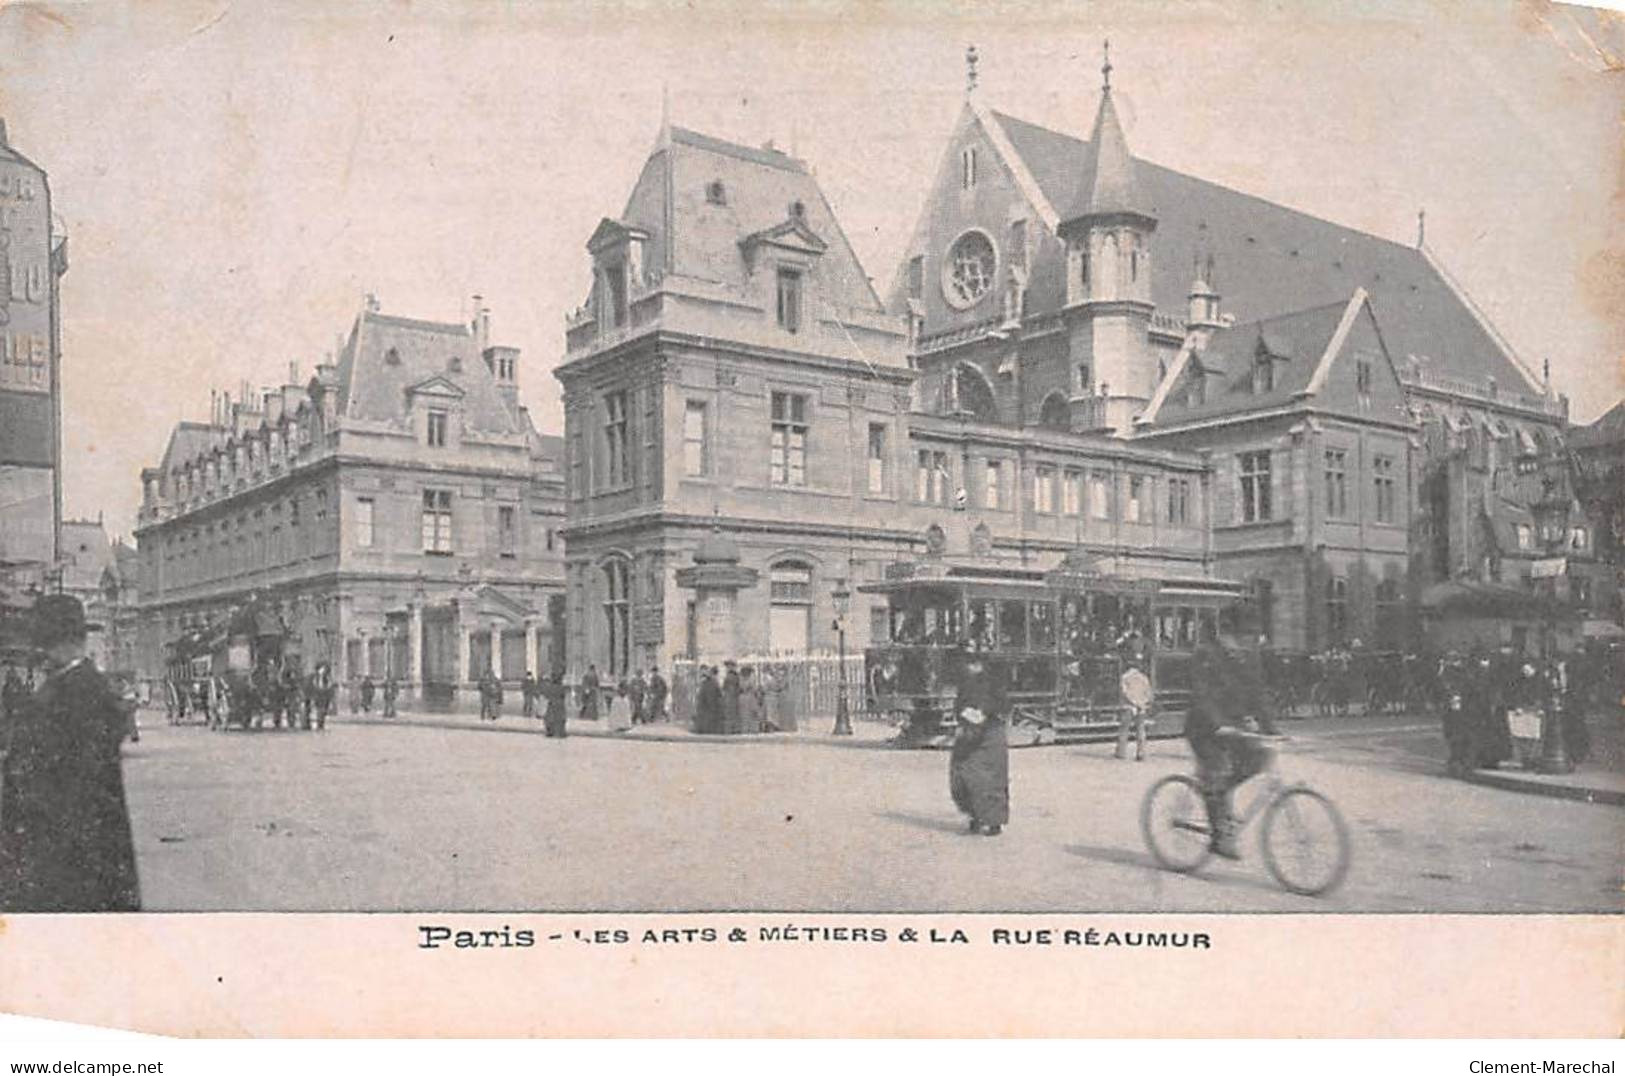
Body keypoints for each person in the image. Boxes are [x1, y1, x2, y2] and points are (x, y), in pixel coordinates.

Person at [0, 595, 141, 911]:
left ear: (49, 642)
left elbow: (68, 786)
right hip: (90, 848)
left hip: (64, 853)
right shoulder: (86, 687)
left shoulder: (70, 694)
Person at [1183, 626, 1271, 860]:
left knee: (1259, 759)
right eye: (1239, 636)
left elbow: (1258, 696)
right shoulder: (1207, 655)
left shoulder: (1247, 660)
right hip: (1203, 728)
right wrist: (1218, 723)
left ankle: (1220, 796)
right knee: (1217, 769)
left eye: (1247, 638)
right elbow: (1202, 695)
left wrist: (1271, 730)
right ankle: (1218, 837)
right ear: (1225, 635)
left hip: (1232, 728)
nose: (1243, 643)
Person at [949, 654, 1010, 836]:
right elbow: (958, 706)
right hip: (969, 736)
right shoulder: (966, 684)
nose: (970, 668)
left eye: (973, 664)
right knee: (966, 776)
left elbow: (1003, 705)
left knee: (991, 780)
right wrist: (963, 715)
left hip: (990, 735)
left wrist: (984, 712)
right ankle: (975, 816)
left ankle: (994, 822)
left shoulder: (994, 683)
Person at [1116, 653, 1153, 761]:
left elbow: (1124, 692)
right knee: (1141, 730)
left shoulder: (1125, 677)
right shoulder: (1144, 678)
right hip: (1141, 707)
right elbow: (1149, 694)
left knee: (1124, 729)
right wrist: (1142, 703)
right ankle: (1141, 753)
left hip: (1128, 706)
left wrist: (1133, 702)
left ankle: (1121, 752)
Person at [694, 665, 723, 734]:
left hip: (705, 703)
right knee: (709, 718)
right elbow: (719, 693)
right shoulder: (714, 683)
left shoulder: (705, 683)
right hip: (710, 703)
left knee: (705, 717)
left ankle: (703, 730)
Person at [540, 671, 568, 738]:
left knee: (550, 719)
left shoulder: (550, 687)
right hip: (560, 706)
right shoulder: (561, 687)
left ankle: (550, 732)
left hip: (552, 705)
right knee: (559, 720)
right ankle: (560, 732)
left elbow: (546, 694)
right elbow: (563, 695)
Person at [738, 665, 764, 733]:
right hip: (750, 698)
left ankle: (745, 729)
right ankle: (753, 729)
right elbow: (754, 689)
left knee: (744, 715)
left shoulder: (740, 679)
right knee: (753, 714)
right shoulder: (751, 680)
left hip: (742, 698)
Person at [721, 661, 742, 734]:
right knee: (733, 713)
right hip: (732, 696)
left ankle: (731, 729)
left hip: (730, 696)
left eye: (728, 666)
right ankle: (734, 729)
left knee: (730, 713)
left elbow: (724, 687)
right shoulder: (736, 676)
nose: (727, 668)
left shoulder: (729, 676)